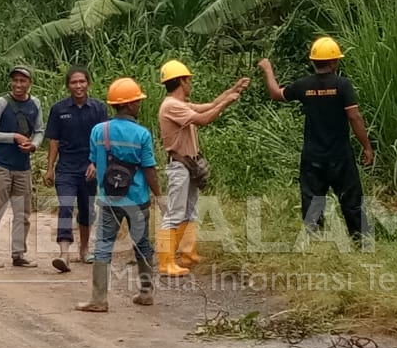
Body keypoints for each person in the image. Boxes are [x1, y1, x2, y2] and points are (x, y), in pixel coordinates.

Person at [258, 37, 374, 240]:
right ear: (334, 62)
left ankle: (315, 241)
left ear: (313, 61)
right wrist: (366, 146)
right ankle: (361, 241)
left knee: (312, 201)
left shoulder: (303, 85)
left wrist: (268, 70)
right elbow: (354, 116)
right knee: (351, 201)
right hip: (340, 155)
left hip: (313, 156)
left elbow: (276, 93)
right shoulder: (342, 85)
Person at [76, 78, 162, 313]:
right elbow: (149, 169)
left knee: (103, 245)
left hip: (108, 200)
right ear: (131, 104)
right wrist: (159, 195)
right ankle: (146, 293)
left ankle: (98, 299)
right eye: (137, 101)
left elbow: (94, 160)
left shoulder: (98, 130)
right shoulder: (142, 134)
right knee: (142, 243)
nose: (139, 105)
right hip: (137, 199)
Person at [157, 60, 248, 276]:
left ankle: (188, 254)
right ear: (181, 81)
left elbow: (208, 105)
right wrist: (226, 103)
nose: (190, 84)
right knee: (175, 213)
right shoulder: (172, 106)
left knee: (190, 211)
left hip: (188, 165)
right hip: (180, 165)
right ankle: (166, 261)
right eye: (189, 80)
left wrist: (232, 91)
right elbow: (205, 118)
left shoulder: (179, 104)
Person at [0, 65, 45, 268]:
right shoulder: (0, 104)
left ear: (29, 83)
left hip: (23, 166)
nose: (18, 84)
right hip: (1, 165)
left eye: (22, 81)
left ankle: (18, 254)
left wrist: (33, 144)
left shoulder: (35, 104)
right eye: (15, 80)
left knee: (22, 213)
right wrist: (14, 137)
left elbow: (40, 130)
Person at [44, 68, 107, 273]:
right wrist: (49, 169)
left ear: (88, 83)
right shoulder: (59, 109)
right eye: (74, 82)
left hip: (89, 167)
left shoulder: (98, 108)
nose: (78, 86)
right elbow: (54, 140)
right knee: (65, 206)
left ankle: (85, 249)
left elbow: (102, 140)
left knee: (87, 209)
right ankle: (64, 253)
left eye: (82, 81)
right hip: (66, 168)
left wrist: (96, 163)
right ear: (68, 85)